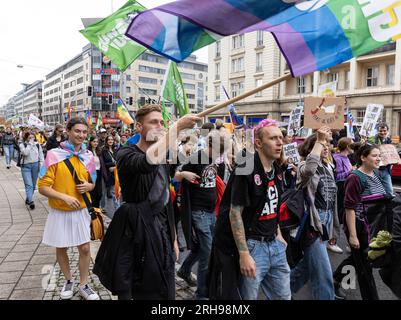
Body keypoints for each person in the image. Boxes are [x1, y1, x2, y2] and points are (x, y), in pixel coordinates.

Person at [93, 104, 200, 300]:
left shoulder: (166, 156)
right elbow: (145, 163)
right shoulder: (125, 154)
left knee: (165, 288)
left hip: (161, 231)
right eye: (153, 122)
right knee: (137, 286)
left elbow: (165, 198)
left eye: (162, 122)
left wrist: (173, 237)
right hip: (135, 231)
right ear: (139, 127)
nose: (160, 126)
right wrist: (176, 128)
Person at [209, 119, 291, 300]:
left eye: (280, 137)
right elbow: (235, 212)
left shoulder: (276, 168)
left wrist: (278, 234)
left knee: (284, 297)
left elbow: (273, 205)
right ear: (259, 143)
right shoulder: (245, 169)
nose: (280, 142)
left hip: (274, 245)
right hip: (253, 246)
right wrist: (244, 254)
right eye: (273, 138)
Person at [38, 117, 99, 300]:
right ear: (68, 131)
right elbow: (42, 186)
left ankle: (83, 284)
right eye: (77, 131)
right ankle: (68, 280)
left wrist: (89, 187)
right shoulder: (54, 155)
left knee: (85, 248)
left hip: (81, 210)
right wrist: (63, 196)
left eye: (84, 132)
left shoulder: (89, 156)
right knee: (62, 247)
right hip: (60, 210)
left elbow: (93, 182)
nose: (81, 135)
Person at [174, 129, 228, 299]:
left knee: (201, 249)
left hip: (211, 211)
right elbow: (175, 176)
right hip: (198, 212)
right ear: (210, 145)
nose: (220, 154)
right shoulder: (195, 158)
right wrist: (183, 174)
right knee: (208, 251)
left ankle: (184, 270)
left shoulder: (215, 159)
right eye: (219, 150)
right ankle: (202, 294)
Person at [290, 127, 340, 300]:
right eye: (321, 144)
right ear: (312, 148)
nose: (326, 146)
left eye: (327, 143)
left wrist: (334, 229)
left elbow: (332, 202)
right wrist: (318, 141)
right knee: (323, 274)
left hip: (326, 221)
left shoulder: (328, 167)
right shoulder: (304, 166)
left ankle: (280, 292)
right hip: (312, 222)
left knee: (306, 268)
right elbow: (310, 170)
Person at [333, 143, 387, 300]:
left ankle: (337, 281)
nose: (378, 158)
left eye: (379, 155)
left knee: (357, 260)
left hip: (371, 226)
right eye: (374, 155)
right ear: (363, 157)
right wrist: (353, 236)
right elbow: (349, 208)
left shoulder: (374, 174)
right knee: (364, 266)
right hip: (358, 226)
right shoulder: (355, 178)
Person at [329, 137, 353, 254]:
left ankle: (350, 242)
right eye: (351, 145)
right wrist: (350, 171)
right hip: (339, 189)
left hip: (346, 189)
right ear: (347, 146)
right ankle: (332, 241)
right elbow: (337, 176)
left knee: (346, 215)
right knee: (338, 215)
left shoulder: (347, 158)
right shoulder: (337, 158)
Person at [19, 132, 44, 209]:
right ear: (26, 138)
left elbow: (41, 156)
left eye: (32, 137)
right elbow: (25, 153)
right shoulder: (22, 145)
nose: (31, 139)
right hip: (25, 166)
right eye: (29, 137)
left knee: (33, 185)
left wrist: (41, 165)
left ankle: (28, 198)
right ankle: (30, 201)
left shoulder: (37, 145)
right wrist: (29, 144)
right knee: (28, 184)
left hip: (35, 166)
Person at [368, 123, 393, 196]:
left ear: (387, 131)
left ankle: (386, 207)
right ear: (377, 131)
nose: (382, 132)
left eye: (384, 131)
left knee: (389, 192)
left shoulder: (389, 140)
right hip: (375, 170)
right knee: (375, 192)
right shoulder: (372, 139)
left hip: (385, 170)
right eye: (380, 131)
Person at [101, 134, 119, 214]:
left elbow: (118, 160)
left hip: (116, 173)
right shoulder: (104, 150)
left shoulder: (115, 149)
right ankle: (103, 207)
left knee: (115, 191)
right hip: (107, 174)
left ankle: (117, 208)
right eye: (109, 140)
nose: (110, 141)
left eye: (112, 139)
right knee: (107, 191)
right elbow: (104, 163)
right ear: (106, 141)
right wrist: (113, 164)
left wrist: (115, 165)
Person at [88, 136, 106, 208]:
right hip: (91, 173)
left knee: (99, 193)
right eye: (94, 141)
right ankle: (92, 209)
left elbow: (102, 164)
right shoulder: (87, 152)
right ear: (90, 142)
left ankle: (97, 208)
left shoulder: (99, 151)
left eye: (97, 142)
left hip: (99, 173)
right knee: (92, 192)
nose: (95, 143)